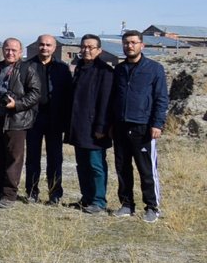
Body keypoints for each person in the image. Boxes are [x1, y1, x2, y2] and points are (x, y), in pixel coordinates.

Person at [110, 30, 169, 222]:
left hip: (142, 127)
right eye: (126, 43)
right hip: (120, 126)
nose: (130, 46)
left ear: (142, 45)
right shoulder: (118, 70)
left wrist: (157, 124)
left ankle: (152, 207)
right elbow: (113, 98)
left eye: (134, 43)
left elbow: (161, 98)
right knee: (122, 167)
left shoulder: (154, 68)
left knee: (146, 169)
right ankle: (127, 204)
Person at [0, 38, 42, 209]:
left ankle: (9, 195)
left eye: (14, 50)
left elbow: (35, 93)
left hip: (16, 121)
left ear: (20, 52)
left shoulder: (27, 69)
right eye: (7, 49)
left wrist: (16, 105)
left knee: (13, 158)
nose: (10, 53)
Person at [25, 34, 74, 205]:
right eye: (41, 44)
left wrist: (67, 122)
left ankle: (55, 194)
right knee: (32, 157)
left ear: (54, 48)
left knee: (55, 158)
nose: (44, 47)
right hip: (33, 119)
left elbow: (69, 96)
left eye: (48, 45)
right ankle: (31, 191)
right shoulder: (27, 66)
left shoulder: (62, 68)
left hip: (55, 119)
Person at [69, 34, 113, 214]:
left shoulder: (105, 72)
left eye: (91, 47)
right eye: (84, 47)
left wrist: (102, 127)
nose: (86, 50)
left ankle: (99, 201)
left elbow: (105, 102)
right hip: (79, 126)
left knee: (96, 165)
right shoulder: (79, 68)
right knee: (82, 164)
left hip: (96, 128)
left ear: (99, 50)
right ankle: (86, 197)